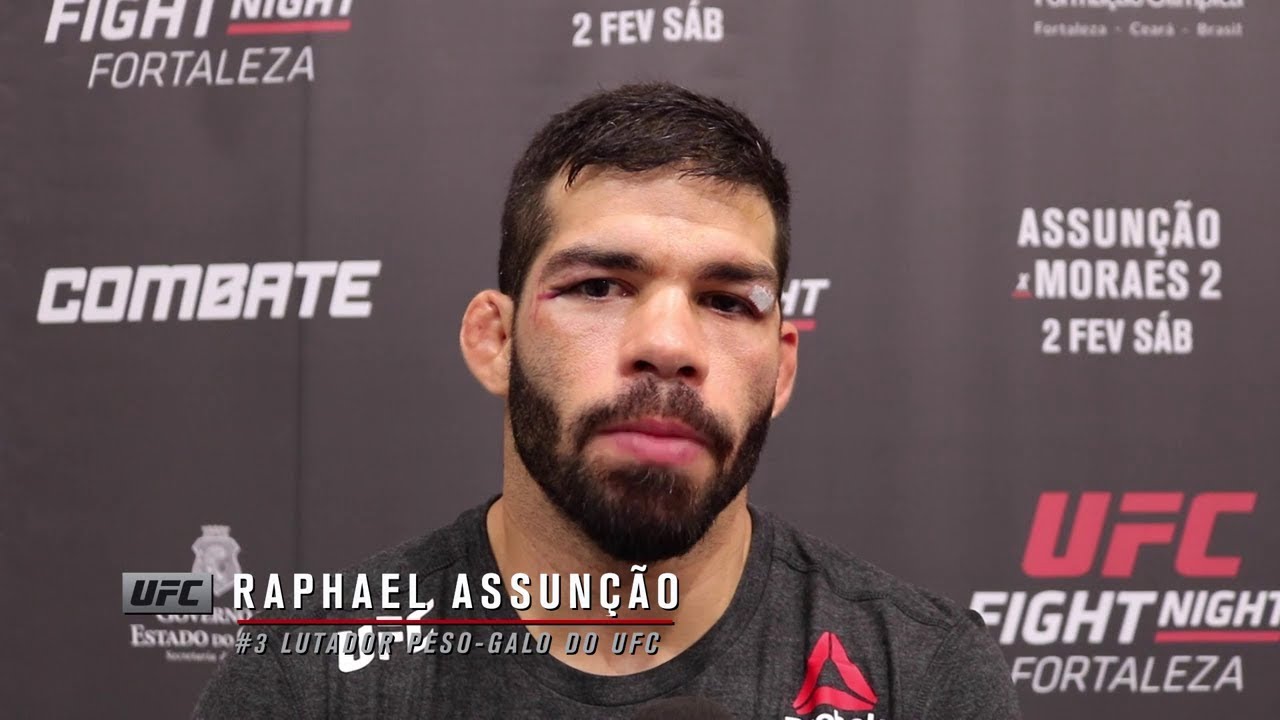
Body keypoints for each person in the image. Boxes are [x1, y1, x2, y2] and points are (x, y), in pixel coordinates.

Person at [194, 82, 1020, 719]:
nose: (668, 344)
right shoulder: (311, 679)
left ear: (781, 370)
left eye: (727, 301)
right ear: (495, 340)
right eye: (598, 287)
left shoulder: (922, 676)